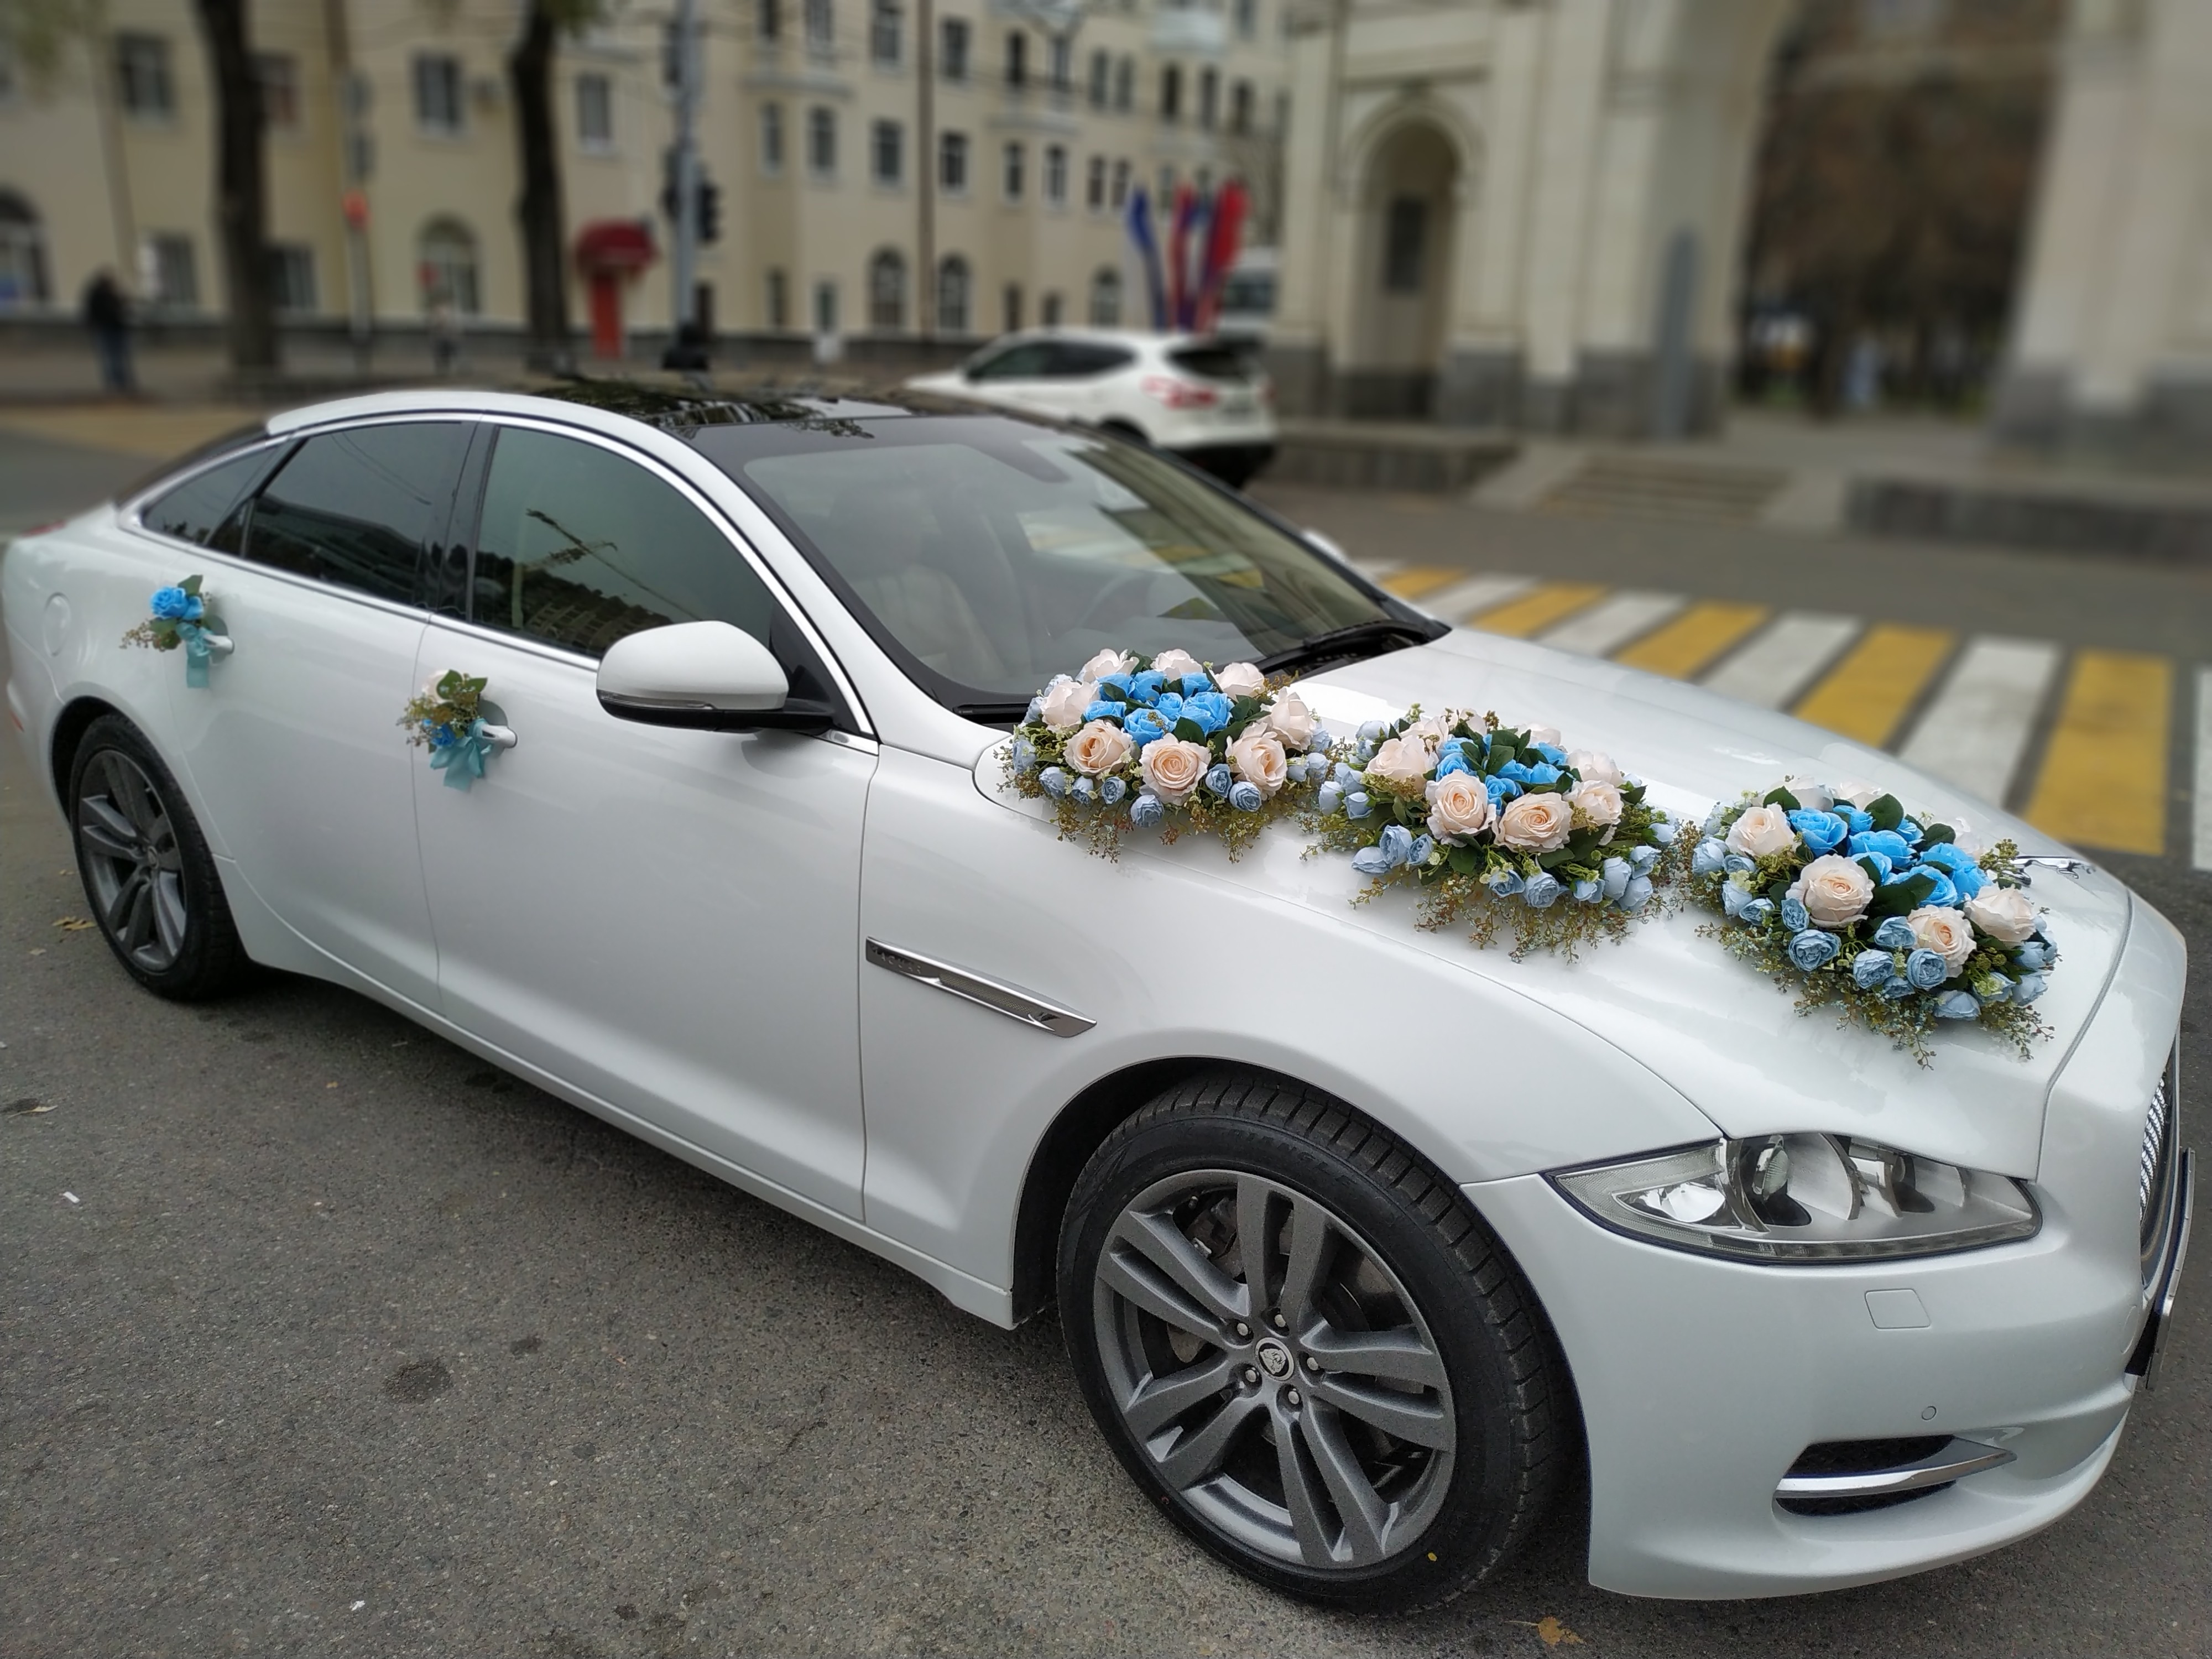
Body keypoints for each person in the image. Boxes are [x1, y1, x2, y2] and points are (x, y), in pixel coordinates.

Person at [82, 269, 133, 393]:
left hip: (116, 329)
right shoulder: (99, 295)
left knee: (119, 357)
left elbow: (122, 310)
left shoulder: (112, 294)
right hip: (105, 329)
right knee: (112, 358)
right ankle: (116, 384)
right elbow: (95, 313)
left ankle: (122, 382)